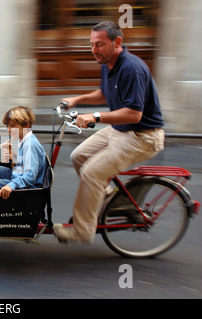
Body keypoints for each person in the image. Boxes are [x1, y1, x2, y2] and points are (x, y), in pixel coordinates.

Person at [53, 21, 165, 243]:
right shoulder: (108, 63)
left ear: (118, 42)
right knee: (78, 157)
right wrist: (77, 99)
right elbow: (104, 94)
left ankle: (82, 231)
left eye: (100, 45)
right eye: (92, 45)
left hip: (143, 136)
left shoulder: (131, 68)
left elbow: (134, 114)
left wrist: (95, 117)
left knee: (91, 173)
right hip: (121, 130)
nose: (94, 50)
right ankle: (107, 199)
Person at [0, 106, 48, 199]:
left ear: (26, 125)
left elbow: (30, 176)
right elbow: (18, 166)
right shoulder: (20, 140)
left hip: (29, 187)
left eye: (12, 126)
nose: (8, 130)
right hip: (17, 175)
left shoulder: (30, 144)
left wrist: (11, 185)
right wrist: (11, 156)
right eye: (7, 126)